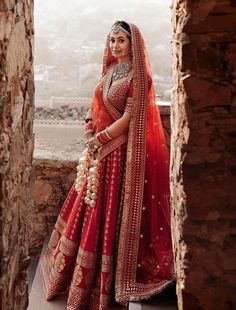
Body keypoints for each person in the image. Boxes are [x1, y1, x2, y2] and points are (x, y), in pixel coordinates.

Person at [40, 21, 174, 310]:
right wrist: (89, 129)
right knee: (90, 209)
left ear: (133, 44)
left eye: (121, 40)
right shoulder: (111, 71)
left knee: (110, 212)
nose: (115, 45)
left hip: (117, 154)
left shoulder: (140, 78)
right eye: (112, 39)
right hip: (98, 151)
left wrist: (100, 138)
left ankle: (108, 282)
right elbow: (95, 105)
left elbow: (128, 118)